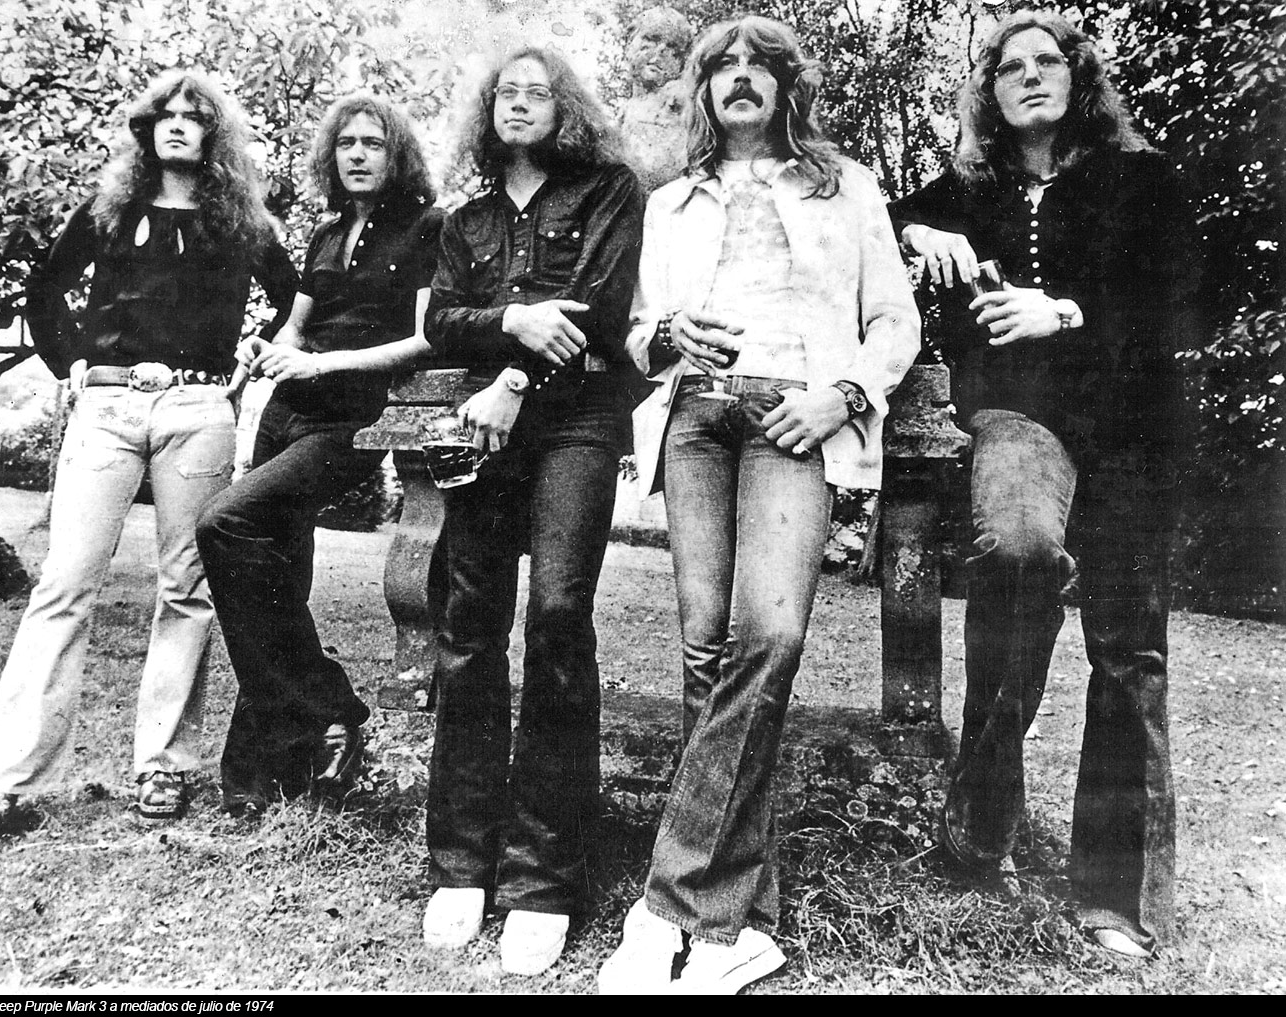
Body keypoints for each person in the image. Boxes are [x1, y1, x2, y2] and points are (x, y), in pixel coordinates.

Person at [599, 16, 920, 994]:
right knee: (707, 652)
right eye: (721, 68)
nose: (739, 79)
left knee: (768, 637)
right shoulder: (671, 202)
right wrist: (666, 336)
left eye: (759, 66)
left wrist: (843, 395)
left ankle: (664, 904)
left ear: (787, 87)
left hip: (794, 417)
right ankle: (737, 925)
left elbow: (893, 319)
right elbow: (637, 334)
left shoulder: (843, 185)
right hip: (696, 420)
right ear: (702, 92)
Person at [887, 9, 1200, 958]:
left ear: (1078, 76)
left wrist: (1062, 310)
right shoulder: (966, 189)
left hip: (1134, 426)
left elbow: (1182, 302)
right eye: (1010, 66)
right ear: (989, 92)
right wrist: (919, 233)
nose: (1030, 74)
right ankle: (984, 809)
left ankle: (1117, 894)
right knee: (1018, 551)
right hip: (1021, 416)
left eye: (1047, 60)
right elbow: (868, 220)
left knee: (1127, 643)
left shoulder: (1144, 181)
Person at [0, 71, 298, 837]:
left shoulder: (241, 223)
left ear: (214, 135)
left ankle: (163, 766)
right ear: (147, 128)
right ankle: (9, 778)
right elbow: (45, 290)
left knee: (186, 587)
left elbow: (294, 297)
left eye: (195, 116)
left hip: (198, 410)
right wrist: (71, 361)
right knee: (64, 582)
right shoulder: (107, 210)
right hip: (108, 406)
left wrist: (261, 350)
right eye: (166, 114)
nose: (178, 124)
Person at [419, 46, 643, 977]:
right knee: (470, 625)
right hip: (484, 427)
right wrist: (510, 322)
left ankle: (543, 875)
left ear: (567, 109)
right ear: (488, 110)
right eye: (505, 93)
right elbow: (439, 320)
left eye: (538, 92)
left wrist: (513, 374)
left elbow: (599, 305)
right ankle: (460, 862)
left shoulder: (608, 191)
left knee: (556, 616)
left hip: (575, 423)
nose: (519, 104)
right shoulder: (464, 219)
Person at [194, 94, 443, 817]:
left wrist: (322, 365)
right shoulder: (327, 233)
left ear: (398, 156)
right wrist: (268, 348)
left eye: (374, 143)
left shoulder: (427, 227)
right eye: (346, 143)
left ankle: (333, 708)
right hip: (286, 411)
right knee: (274, 582)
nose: (358, 154)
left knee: (225, 524)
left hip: (350, 420)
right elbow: (297, 329)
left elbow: (426, 338)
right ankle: (268, 764)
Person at [616, 6, 694, 193]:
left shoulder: (678, 101)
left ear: (681, 63)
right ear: (629, 44)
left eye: (673, 48)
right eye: (651, 39)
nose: (661, 51)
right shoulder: (626, 110)